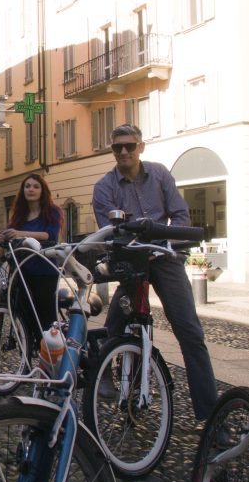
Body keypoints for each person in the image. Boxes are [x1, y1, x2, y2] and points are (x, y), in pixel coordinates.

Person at [92, 123, 218, 425]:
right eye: (117, 147)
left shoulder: (160, 174)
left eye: (129, 146)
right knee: (118, 321)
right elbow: (111, 230)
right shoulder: (104, 187)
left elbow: (181, 215)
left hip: (164, 257)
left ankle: (212, 417)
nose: (123, 151)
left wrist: (166, 243)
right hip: (131, 260)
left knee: (190, 333)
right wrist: (135, 245)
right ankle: (102, 364)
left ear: (141, 147)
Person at [0, 173, 63, 346]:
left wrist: (20, 233)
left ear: (42, 191)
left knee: (46, 317)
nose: (31, 189)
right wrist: (0, 238)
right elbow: (11, 235)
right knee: (24, 315)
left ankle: (52, 353)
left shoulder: (52, 212)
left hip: (45, 271)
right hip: (22, 270)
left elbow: (50, 235)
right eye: (27, 186)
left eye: (35, 186)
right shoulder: (19, 215)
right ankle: (28, 351)